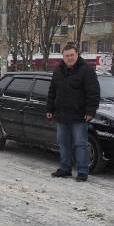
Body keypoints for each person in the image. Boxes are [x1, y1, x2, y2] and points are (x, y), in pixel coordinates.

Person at [46, 43, 100, 182]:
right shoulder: (58, 70)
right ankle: (65, 169)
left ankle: (82, 171)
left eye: (72, 55)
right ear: (63, 57)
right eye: (67, 56)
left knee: (80, 144)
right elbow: (52, 91)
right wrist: (50, 109)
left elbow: (93, 93)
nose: (69, 58)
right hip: (62, 115)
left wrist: (90, 111)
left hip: (79, 115)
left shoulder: (86, 71)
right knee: (63, 143)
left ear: (77, 55)